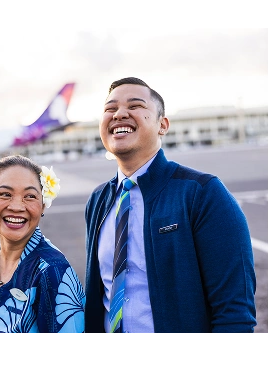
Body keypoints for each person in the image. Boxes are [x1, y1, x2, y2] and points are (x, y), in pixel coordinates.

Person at [83, 77, 256, 333]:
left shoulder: (202, 193)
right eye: (110, 109)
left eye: (135, 106)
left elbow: (235, 313)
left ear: (162, 125)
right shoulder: (98, 200)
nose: (119, 114)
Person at [0, 156, 85, 338]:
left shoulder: (53, 271)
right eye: (5, 194)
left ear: (43, 205)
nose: (17, 206)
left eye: (30, 196)